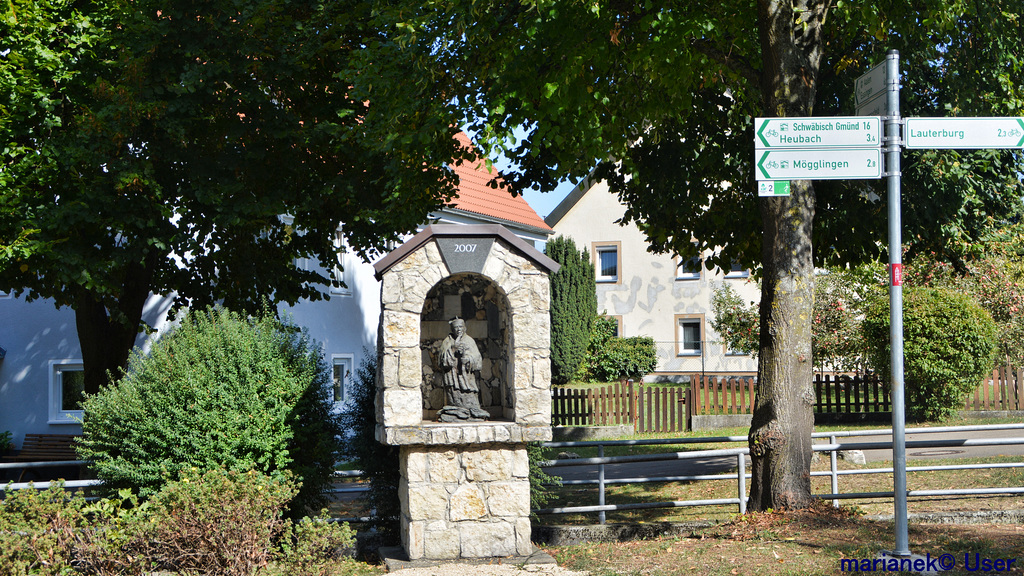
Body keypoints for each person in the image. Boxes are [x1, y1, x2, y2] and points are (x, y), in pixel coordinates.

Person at [436, 317, 490, 422]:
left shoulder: (469, 341)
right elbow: (442, 360)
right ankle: (458, 412)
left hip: (466, 377)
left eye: (460, 326)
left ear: (464, 328)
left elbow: (477, 358)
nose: (458, 329)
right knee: (456, 400)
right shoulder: (447, 341)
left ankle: (473, 413)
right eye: (456, 327)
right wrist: (453, 349)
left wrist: (468, 359)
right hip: (453, 378)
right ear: (452, 329)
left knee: (471, 401)